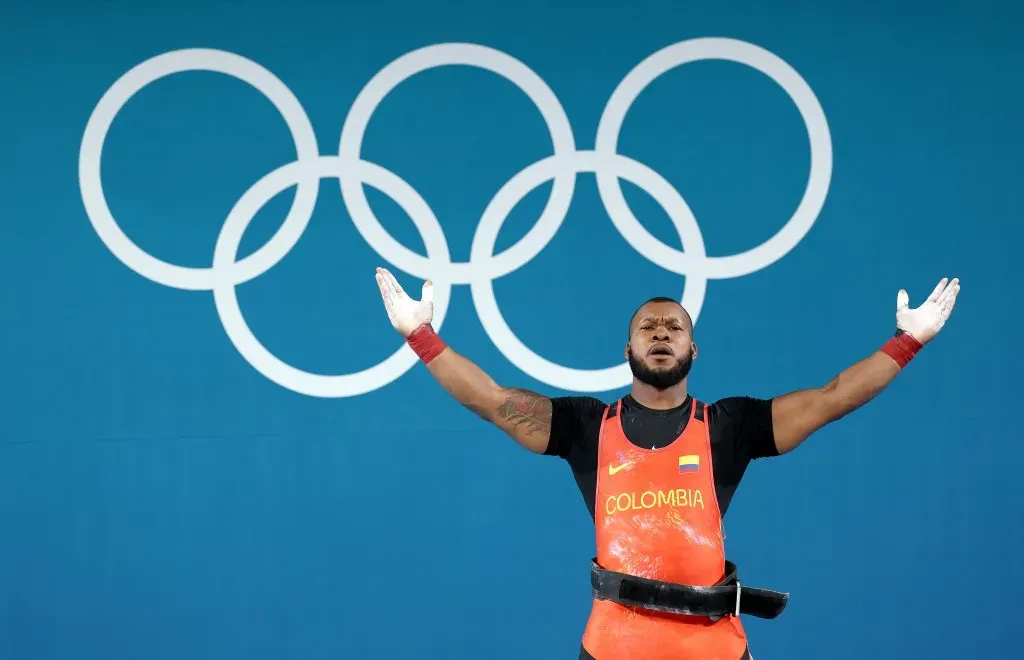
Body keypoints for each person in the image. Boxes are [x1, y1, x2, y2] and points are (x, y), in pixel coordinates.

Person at [374, 267, 960, 660]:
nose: (661, 332)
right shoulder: (585, 427)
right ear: (627, 350)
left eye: (674, 326)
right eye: (648, 327)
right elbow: (496, 403)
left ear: (692, 349)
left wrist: (908, 343)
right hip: (613, 647)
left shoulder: (730, 426)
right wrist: (420, 337)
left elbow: (832, 397)